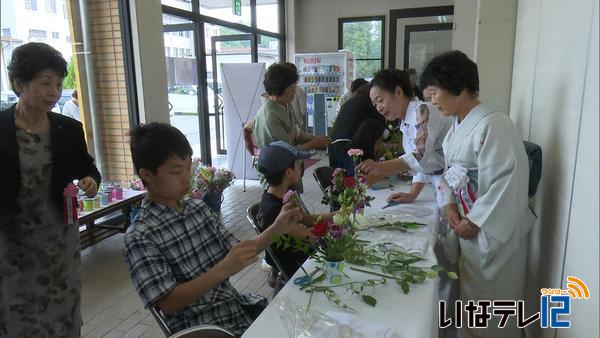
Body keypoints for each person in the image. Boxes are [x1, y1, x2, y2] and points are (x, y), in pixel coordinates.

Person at [124, 123, 302, 336]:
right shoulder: (140, 235)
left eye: (188, 167)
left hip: (235, 311)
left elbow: (241, 251)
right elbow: (169, 303)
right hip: (205, 329)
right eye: (175, 171)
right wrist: (223, 269)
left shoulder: (197, 209)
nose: (185, 177)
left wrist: (276, 228)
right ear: (147, 175)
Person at [420, 50, 536, 338]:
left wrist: (474, 222)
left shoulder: (494, 124)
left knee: (492, 306)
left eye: (434, 93)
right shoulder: (457, 127)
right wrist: (449, 205)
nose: (432, 101)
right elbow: (452, 175)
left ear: (458, 85)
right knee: (471, 304)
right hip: (466, 222)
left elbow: (506, 182)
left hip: (491, 233)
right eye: (428, 96)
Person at [0, 42, 101, 337]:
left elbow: (88, 168)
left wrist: (91, 182)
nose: (54, 92)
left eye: (58, 84)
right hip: (11, 244)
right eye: (45, 83)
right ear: (20, 84)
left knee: (62, 311)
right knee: (18, 315)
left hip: (59, 240)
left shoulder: (67, 129)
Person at [357, 69, 452, 207]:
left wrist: (380, 167)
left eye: (380, 100)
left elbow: (419, 156)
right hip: (441, 184)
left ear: (398, 92)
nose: (379, 108)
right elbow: (424, 164)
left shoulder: (422, 111)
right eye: (375, 104)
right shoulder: (405, 123)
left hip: (454, 183)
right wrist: (412, 194)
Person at [256, 141, 331, 282]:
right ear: (288, 173)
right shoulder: (275, 212)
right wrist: (338, 225)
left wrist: (336, 215)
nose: (301, 168)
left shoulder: (273, 197)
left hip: (303, 260)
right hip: (300, 270)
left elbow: (308, 219)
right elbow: (311, 237)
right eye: (298, 165)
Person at [253, 63, 330, 192]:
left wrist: (316, 138)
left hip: (290, 172)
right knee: (286, 210)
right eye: (292, 89)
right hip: (278, 178)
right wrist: (314, 143)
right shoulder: (270, 116)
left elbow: (297, 132)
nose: (295, 93)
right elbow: (286, 152)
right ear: (279, 89)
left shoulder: (285, 104)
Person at [329, 84, 384, 170]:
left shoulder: (350, 101)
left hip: (333, 143)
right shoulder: (369, 104)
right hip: (347, 146)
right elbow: (380, 128)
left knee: (336, 176)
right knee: (352, 176)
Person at [285, 62, 308, 131]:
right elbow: (303, 111)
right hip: (296, 126)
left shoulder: (279, 89)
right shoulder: (298, 90)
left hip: (283, 126)